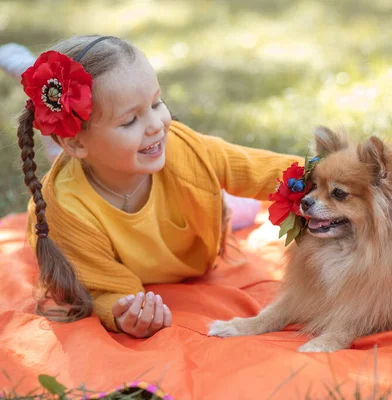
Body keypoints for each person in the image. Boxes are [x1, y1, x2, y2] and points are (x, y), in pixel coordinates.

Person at [15, 35, 303, 338]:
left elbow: (261, 170)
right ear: (75, 141)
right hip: (88, 171)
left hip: (185, 202)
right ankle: (42, 108)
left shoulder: (184, 151)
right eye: (130, 121)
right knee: (69, 166)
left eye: (157, 103)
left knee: (237, 207)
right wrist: (125, 311)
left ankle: (227, 202)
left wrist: (322, 173)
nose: (156, 125)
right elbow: (100, 289)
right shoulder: (67, 211)